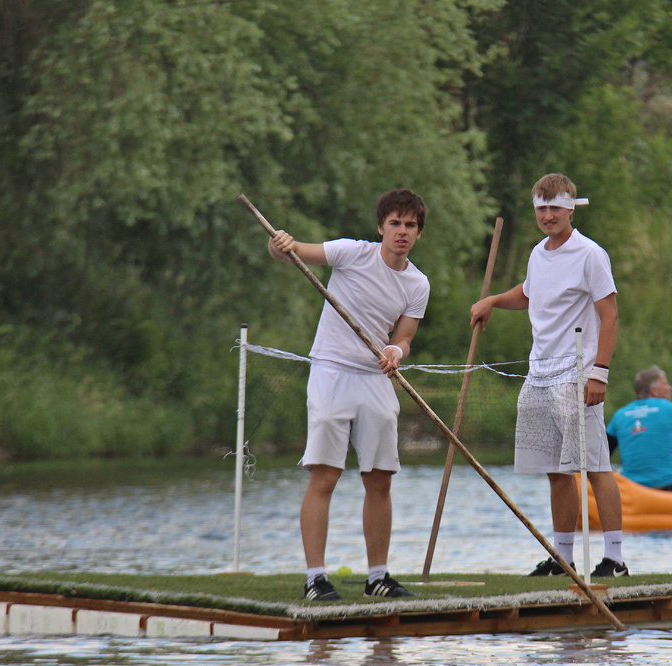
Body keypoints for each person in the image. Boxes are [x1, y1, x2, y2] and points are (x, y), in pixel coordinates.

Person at [267, 189, 430, 602]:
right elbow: (293, 252)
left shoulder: (417, 283)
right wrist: (280, 245)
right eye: (395, 223)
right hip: (331, 371)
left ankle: (378, 577)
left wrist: (395, 352)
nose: (402, 232)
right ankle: (315, 579)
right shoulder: (351, 253)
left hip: (375, 379)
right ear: (380, 227)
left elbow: (404, 338)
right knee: (325, 475)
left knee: (380, 478)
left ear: (418, 233)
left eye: (410, 225)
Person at [470, 173, 628, 578]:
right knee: (556, 472)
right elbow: (529, 293)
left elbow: (610, 315)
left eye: (555, 207)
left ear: (571, 209)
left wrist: (599, 373)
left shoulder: (590, 254)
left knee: (595, 467)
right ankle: (563, 559)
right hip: (539, 373)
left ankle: (615, 559)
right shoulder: (538, 253)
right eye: (541, 208)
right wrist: (493, 301)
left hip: (576, 373)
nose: (548, 215)